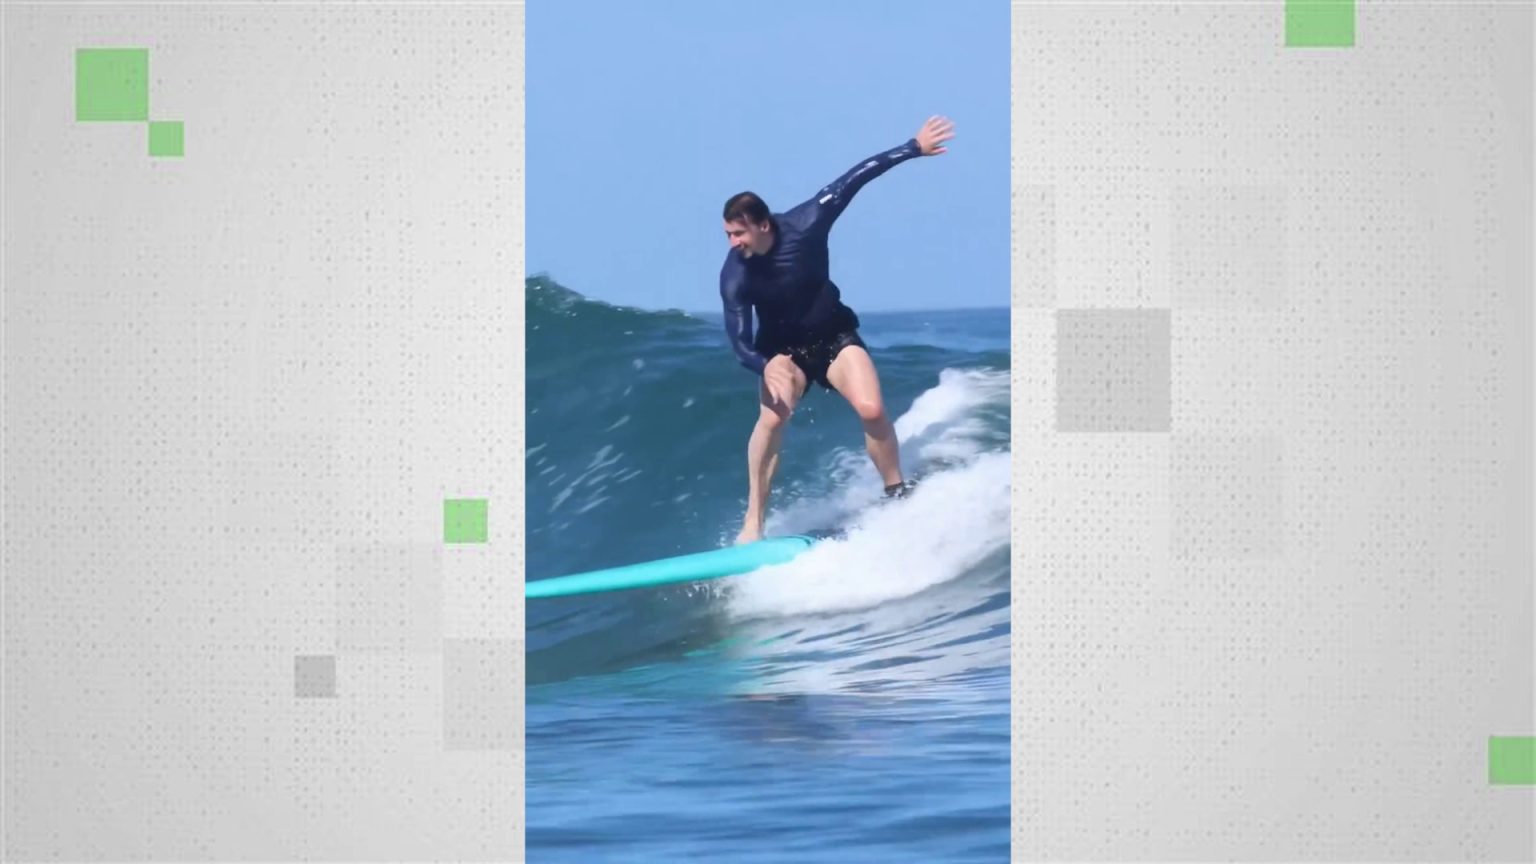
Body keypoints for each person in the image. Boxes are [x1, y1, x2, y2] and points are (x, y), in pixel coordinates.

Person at [719, 115, 955, 545]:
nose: (733, 243)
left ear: (762, 224)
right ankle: (753, 521)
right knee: (772, 418)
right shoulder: (735, 274)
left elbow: (855, 178)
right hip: (782, 353)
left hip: (833, 336)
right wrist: (764, 363)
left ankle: (896, 491)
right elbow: (738, 340)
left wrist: (912, 148)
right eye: (728, 235)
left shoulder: (808, 221)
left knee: (871, 409)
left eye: (738, 233)